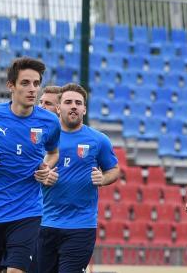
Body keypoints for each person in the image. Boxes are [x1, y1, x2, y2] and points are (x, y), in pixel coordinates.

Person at [0, 57, 61, 273]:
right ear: (11, 86)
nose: (32, 89)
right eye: (25, 83)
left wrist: (46, 167)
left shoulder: (50, 122)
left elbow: (53, 153)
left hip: (28, 211)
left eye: (36, 83)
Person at [38, 83, 120, 273]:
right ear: (58, 108)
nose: (73, 106)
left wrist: (103, 178)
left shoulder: (98, 140)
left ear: (84, 109)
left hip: (81, 225)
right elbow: (28, 172)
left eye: (78, 102)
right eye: (68, 102)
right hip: (44, 222)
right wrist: (42, 176)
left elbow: (114, 170)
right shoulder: (43, 138)